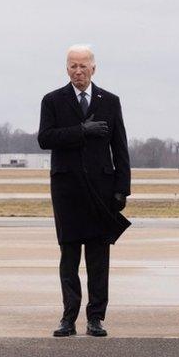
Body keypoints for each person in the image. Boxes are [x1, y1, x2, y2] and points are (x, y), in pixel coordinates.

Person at [37, 44, 131, 338]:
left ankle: (96, 317)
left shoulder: (110, 101)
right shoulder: (53, 100)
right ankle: (68, 317)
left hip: (102, 190)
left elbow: (121, 148)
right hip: (68, 190)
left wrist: (122, 189)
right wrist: (82, 131)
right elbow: (45, 138)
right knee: (69, 257)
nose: (78, 71)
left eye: (83, 66)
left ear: (94, 68)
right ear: (67, 69)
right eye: (73, 66)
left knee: (98, 257)